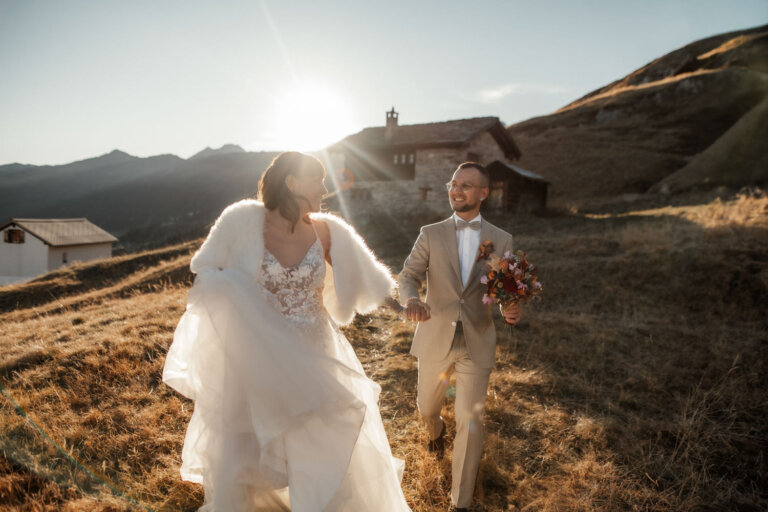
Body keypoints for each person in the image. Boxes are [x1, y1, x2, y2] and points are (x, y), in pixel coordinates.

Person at [163, 152, 411, 511]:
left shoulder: (328, 230)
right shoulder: (241, 220)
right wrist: (234, 290)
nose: (326, 189)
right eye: (318, 180)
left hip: (316, 355)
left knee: (323, 443)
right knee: (247, 447)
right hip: (256, 359)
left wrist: (403, 307)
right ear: (292, 183)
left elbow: (370, 278)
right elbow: (204, 268)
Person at [398, 162, 521, 512]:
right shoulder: (430, 233)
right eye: (454, 183)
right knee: (427, 408)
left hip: (476, 341)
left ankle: (460, 502)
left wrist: (509, 308)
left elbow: (504, 289)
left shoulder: (501, 239)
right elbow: (408, 275)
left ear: (484, 192)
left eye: (466, 185)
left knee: (470, 420)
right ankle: (436, 431)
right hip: (435, 335)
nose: (457, 190)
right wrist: (410, 298)